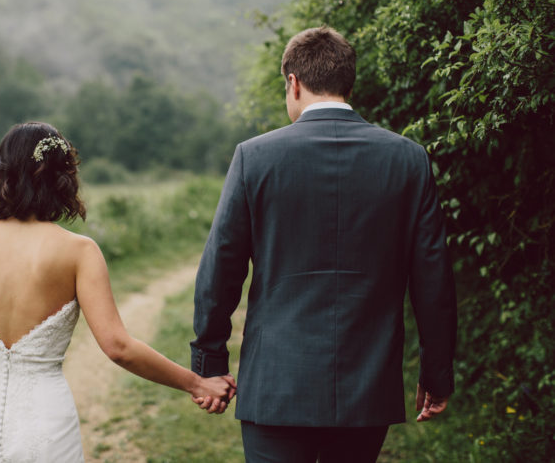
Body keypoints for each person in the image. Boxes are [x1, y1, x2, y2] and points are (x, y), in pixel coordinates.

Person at [190, 27, 457, 462]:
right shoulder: (409, 159)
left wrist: (209, 363)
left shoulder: (254, 157)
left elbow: (221, 268)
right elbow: (434, 281)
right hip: (367, 387)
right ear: (348, 82)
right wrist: (437, 372)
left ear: (293, 82)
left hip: (277, 385)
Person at [0, 122, 235, 462]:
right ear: (60, 176)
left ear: (3, 172)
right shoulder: (78, 252)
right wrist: (197, 383)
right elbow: (118, 347)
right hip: (44, 424)